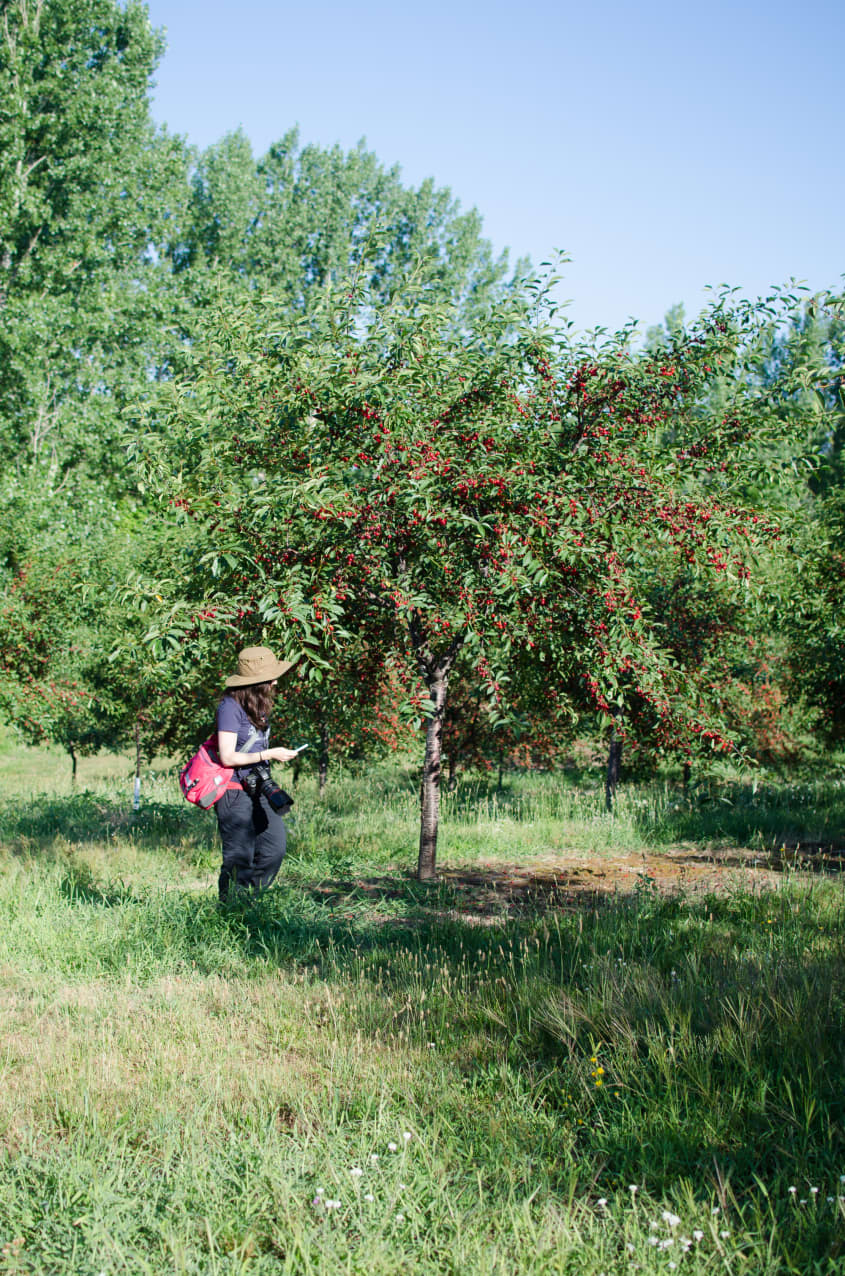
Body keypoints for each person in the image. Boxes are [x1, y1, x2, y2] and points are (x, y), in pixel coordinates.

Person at [215, 646, 300, 901]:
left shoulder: (258, 706)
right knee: (239, 857)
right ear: (256, 682)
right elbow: (227, 756)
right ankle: (231, 912)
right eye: (270, 678)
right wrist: (269, 754)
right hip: (233, 790)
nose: (275, 682)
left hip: (258, 786)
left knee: (275, 849)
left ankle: (249, 900)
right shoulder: (230, 708)